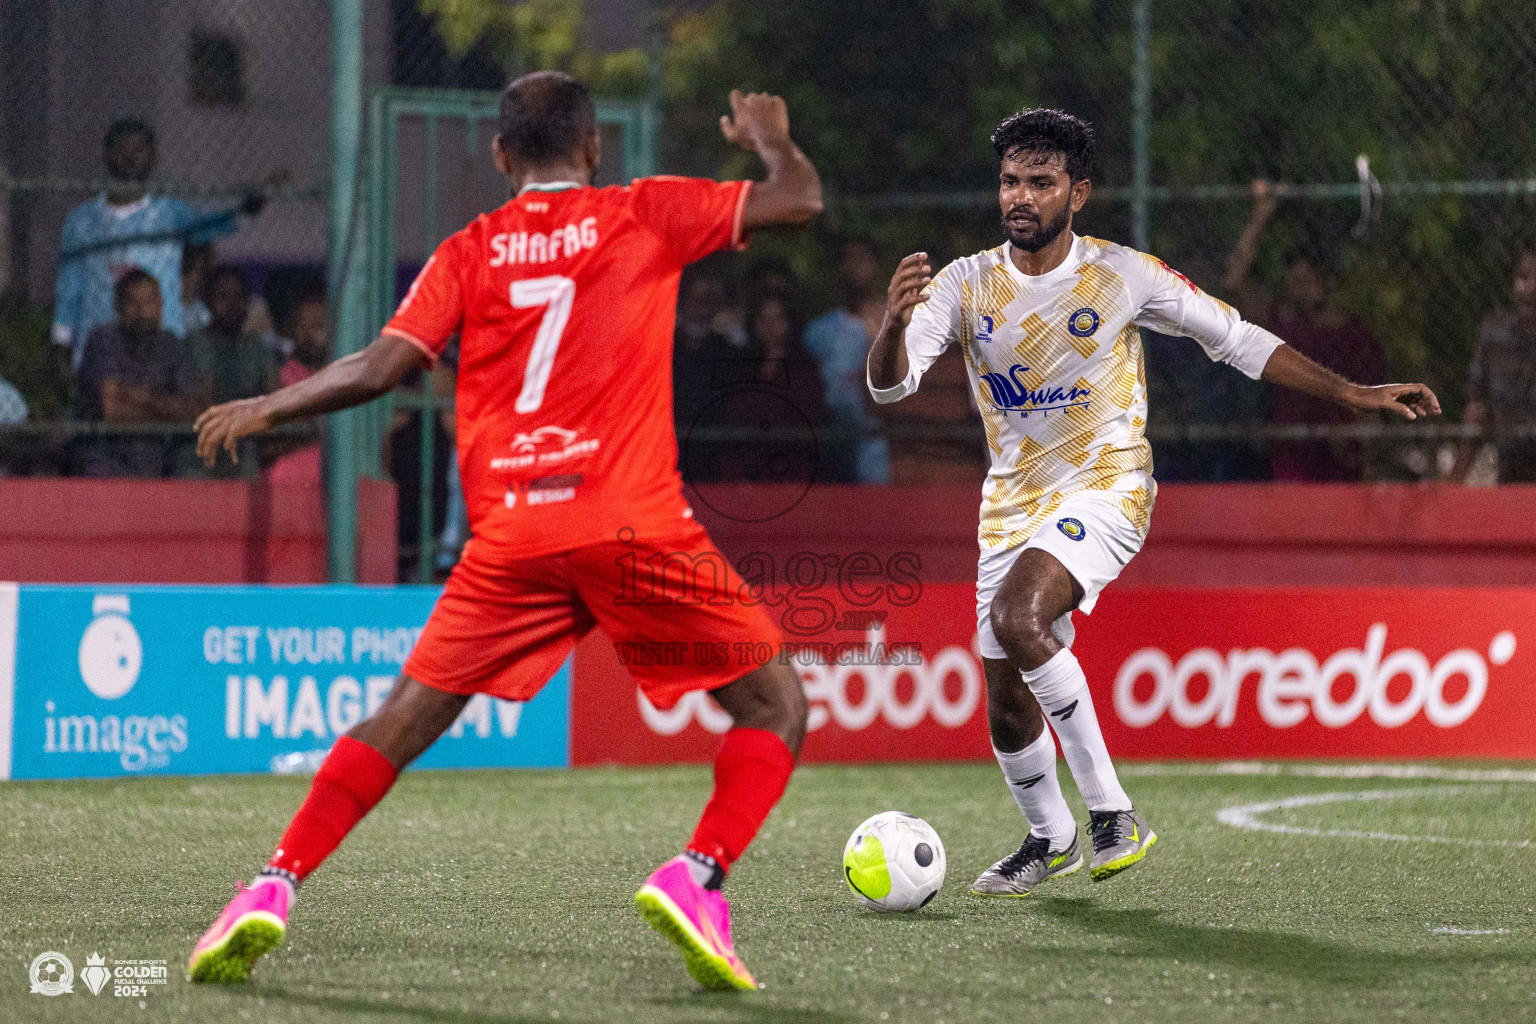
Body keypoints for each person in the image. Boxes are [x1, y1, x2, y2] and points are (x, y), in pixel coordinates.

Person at [188, 73, 822, 991]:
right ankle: (698, 875)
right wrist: (769, 141)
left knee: (404, 717)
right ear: (595, 148)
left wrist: (269, 404)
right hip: (630, 521)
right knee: (776, 707)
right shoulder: (642, 212)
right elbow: (800, 198)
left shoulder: (470, 250)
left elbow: (381, 367)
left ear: (499, 155)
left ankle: (271, 885)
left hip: (514, 532)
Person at [867, 108, 1439, 898]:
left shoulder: (1122, 274)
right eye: (1010, 181)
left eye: (1041, 181)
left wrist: (1352, 391)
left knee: (1018, 619)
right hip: (1011, 502)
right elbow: (890, 382)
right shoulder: (965, 283)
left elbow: (1236, 339)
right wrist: (893, 326)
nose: (1021, 196)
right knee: (1003, 691)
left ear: (1080, 192)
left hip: (1109, 484)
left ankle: (1112, 813)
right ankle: (1050, 836)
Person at [51, 118, 269, 386]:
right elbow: (69, 287)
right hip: (100, 340)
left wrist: (250, 206)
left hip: (160, 342)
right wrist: (61, 345)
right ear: (107, 156)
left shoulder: (170, 213)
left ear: (152, 157)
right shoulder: (81, 220)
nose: (131, 158)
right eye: (122, 150)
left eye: (139, 150)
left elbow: (214, 222)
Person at [1226, 180, 1387, 480]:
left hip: (1339, 465)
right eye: (1295, 282)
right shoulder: (1282, 326)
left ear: (1327, 283)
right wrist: (1259, 219)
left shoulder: (1354, 337)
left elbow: (1373, 412)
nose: (1299, 289)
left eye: (1307, 282)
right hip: (1290, 461)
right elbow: (1236, 280)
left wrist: (1356, 441)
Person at [72, 268, 209, 478]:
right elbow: (112, 409)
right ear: (118, 307)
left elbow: (193, 410)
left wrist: (138, 397)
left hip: (159, 463)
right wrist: (167, 408)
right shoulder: (104, 340)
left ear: (161, 305)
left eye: (149, 303)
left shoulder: (170, 345)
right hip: (106, 461)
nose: (143, 312)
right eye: (133, 303)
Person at [805, 238, 891, 482]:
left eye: (862, 258)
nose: (855, 267)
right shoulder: (819, 331)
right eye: (848, 260)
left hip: (881, 443)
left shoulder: (900, 323)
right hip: (833, 439)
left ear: (877, 265)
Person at [182, 265, 278, 477]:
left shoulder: (255, 347)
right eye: (223, 297)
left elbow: (275, 397)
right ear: (208, 302)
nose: (231, 305)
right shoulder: (197, 343)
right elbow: (208, 403)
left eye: (238, 297)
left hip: (247, 444)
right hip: (203, 449)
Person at [1454, 247, 1536, 483]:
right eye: (1523, 278)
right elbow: (1477, 408)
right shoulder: (1494, 334)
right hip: (1510, 468)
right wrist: (1455, 480)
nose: (1530, 288)